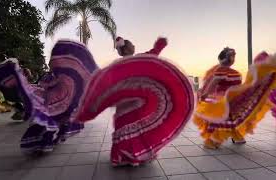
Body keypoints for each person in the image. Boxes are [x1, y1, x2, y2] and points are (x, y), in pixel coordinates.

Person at [76, 37, 194, 166]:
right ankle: (138, 155)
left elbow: (107, 82)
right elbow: (153, 53)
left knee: (124, 126)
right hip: (139, 102)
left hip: (124, 102)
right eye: (132, 44)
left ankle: (122, 157)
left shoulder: (117, 65)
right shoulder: (140, 59)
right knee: (139, 129)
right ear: (128, 48)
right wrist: (160, 44)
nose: (134, 45)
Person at [194, 49, 276, 149]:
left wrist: (205, 95)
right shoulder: (231, 72)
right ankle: (225, 138)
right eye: (231, 56)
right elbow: (226, 85)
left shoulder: (224, 71)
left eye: (232, 56)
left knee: (223, 118)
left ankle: (221, 138)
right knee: (227, 118)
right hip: (227, 100)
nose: (232, 58)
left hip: (225, 99)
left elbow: (214, 84)